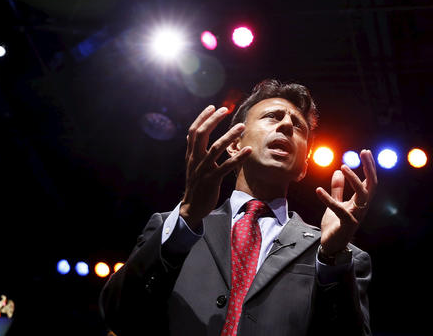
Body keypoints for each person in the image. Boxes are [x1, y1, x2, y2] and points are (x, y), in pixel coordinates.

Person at [99, 79, 377, 336]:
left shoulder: (341, 255)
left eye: (298, 126)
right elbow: (119, 316)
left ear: (304, 166)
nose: (287, 126)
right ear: (234, 143)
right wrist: (187, 216)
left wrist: (331, 259)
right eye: (272, 117)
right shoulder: (171, 228)